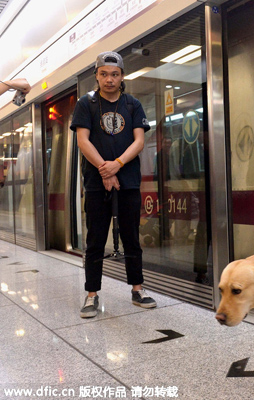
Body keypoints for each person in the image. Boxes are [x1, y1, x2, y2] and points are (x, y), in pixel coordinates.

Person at [70, 51, 156, 318]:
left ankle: (137, 289)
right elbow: (83, 141)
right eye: (104, 74)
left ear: (122, 76)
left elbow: (139, 142)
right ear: (96, 76)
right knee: (95, 239)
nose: (109, 79)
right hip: (96, 183)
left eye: (115, 74)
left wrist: (116, 165)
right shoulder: (86, 104)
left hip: (128, 181)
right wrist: (104, 171)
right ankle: (91, 295)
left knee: (132, 236)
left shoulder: (132, 105)